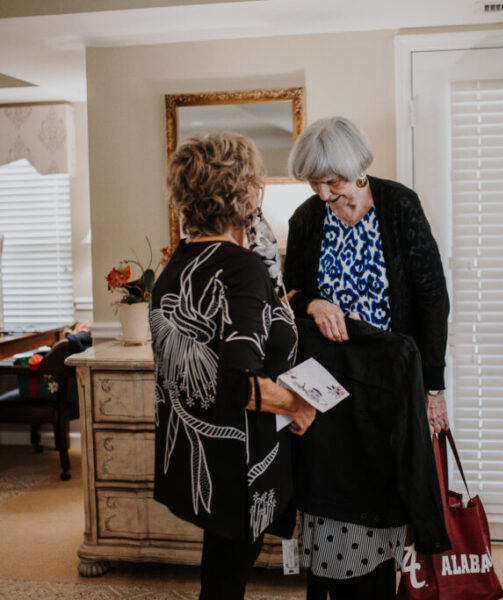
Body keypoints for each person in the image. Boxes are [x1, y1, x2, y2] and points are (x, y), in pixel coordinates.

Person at [284, 116, 451, 599]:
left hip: (388, 389)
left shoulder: (399, 206)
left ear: (356, 168)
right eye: (315, 183)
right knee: (330, 506)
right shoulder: (307, 219)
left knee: (383, 505)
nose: (324, 194)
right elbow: (289, 297)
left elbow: (432, 299)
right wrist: (312, 303)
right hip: (327, 389)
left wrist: (432, 389)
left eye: (332, 182)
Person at [150, 131, 316, 600]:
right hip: (239, 456)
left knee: (220, 573)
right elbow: (236, 383)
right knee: (225, 583)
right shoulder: (238, 266)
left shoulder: (178, 264)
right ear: (245, 192)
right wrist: (298, 405)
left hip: (203, 452)